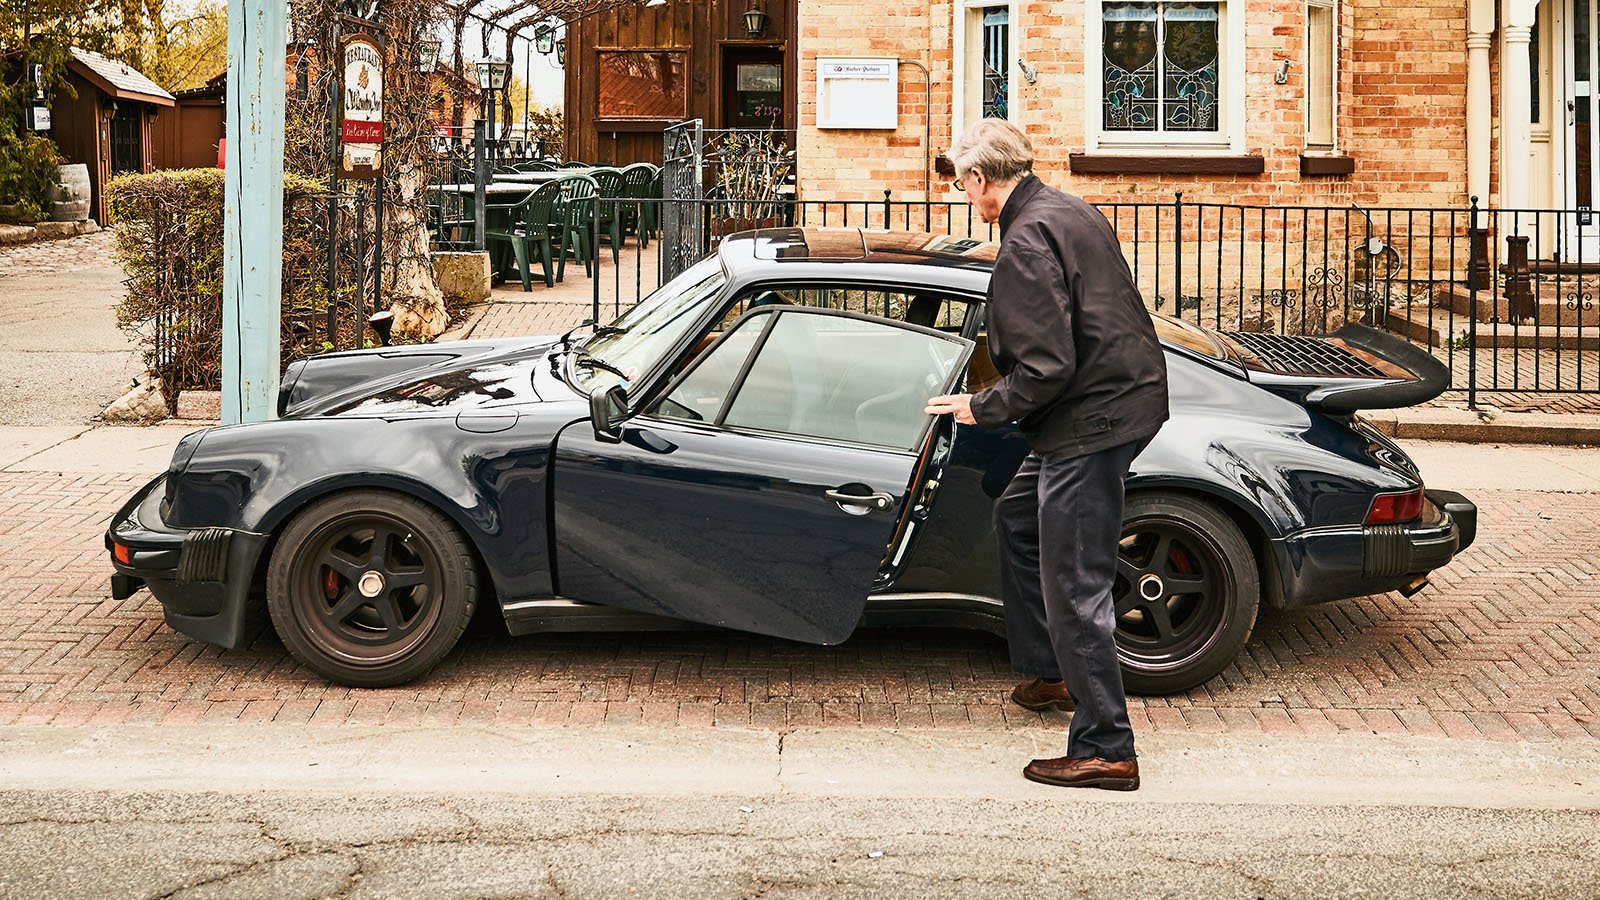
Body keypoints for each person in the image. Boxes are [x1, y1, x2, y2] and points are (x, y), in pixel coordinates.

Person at [926, 119, 1169, 791]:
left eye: (960, 181)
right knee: (1018, 517)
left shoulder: (1027, 240)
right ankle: (1053, 671)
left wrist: (982, 406)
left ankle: (1106, 746)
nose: (962, 193)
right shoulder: (1064, 210)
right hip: (1114, 402)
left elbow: (1045, 367)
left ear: (980, 180)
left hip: (1089, 421)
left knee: (1075, 583)